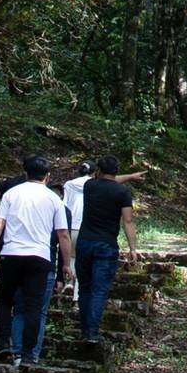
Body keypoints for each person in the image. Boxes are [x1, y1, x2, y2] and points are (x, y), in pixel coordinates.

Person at [0, 154, 70, 365]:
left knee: (5, 301)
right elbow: (63, 234)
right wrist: (67, 264)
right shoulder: (54, 199)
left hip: (11, 253)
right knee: (34, 306)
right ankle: (28, 355)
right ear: (48, 177)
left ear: (26, 173)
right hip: (39, 257)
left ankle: (4, 343)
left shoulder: (12, 193)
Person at [71, 149, 138, 347]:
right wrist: (133, 248)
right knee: (99, 289)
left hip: (84, 242)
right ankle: (92, 332)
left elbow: (104, 181)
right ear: (116, 171)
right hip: (106, 244)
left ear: (98, 170)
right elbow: (127, 220)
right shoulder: (122, 193)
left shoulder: (90, 186)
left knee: (85, 287)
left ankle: (85, 329)